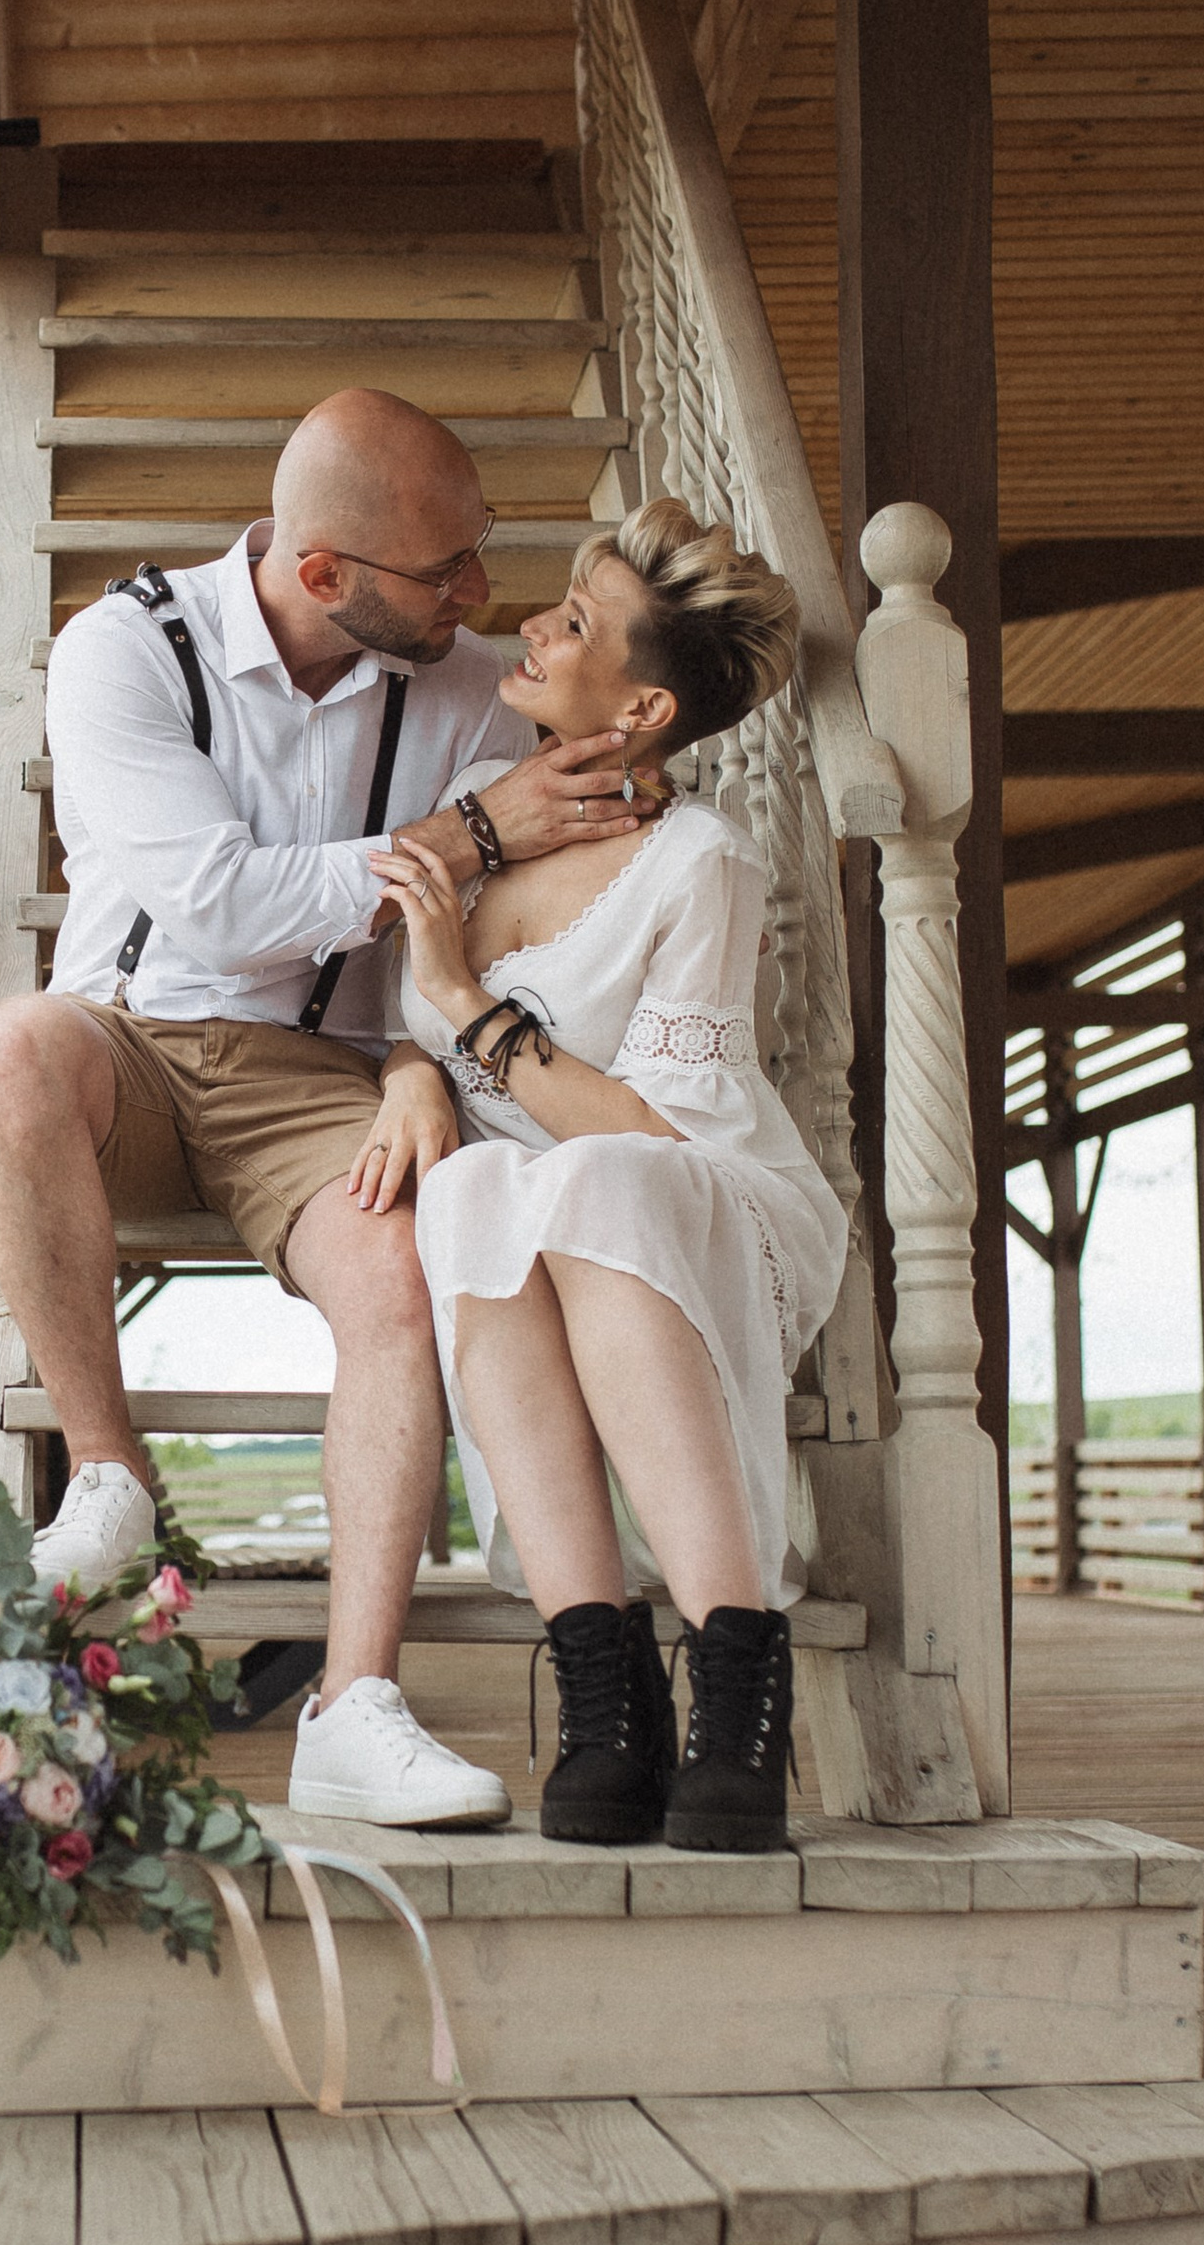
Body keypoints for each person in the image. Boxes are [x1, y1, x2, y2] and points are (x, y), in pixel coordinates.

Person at [0, 385, 673, 1832]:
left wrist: (423, 1062)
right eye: (449, 571)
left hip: (335, 1078)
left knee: (404, 1272)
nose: (484, 598)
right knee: (10, 1048)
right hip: (135, 1044)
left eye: (478, 555)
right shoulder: (124, 649)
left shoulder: (477, 684)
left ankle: (353, 1704)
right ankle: (108, 1475)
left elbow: (533, 895)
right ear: (324, 574)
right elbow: (216, 907)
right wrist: (469, 833)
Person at [361, 496, 848, 1854]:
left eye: (574, 623)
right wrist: (410, 1069)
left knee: (593, 1186)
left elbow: (655, 1130)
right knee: (470, 1196)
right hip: (538, 1203)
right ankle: (603, 1696)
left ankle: (740, 1675)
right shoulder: (481, 835)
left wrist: (461, 1005)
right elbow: (395, 1035)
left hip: (701, 1194)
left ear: (639, 713)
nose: (533, 626)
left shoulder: (703, 864)